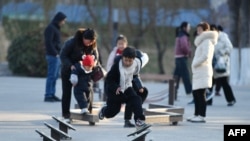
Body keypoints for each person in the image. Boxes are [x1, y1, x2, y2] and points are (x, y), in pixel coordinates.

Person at [98, 47, 149, 130]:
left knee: (136, 99)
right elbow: (109, 79)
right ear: (122, 57)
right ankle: (104, 111)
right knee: (113, 111)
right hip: (114, 90)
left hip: (127, 87)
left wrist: (139, 86)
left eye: (130, 61)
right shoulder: (117, 66)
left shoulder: (137, 63)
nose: (127, 63)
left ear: (134, 59)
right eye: (126, 60)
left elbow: (135, 75)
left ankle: (139, 121)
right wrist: (115, 87)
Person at [60, 28, 99, 122]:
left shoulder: (92, 44)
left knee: (88, 90)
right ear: (83, 38)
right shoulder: (72, 42)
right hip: (69, 70)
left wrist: (93, 64)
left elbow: (96, 56)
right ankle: (66, 113)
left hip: (84, 72)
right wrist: (70, 65)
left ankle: (88, 110)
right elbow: (63, 55)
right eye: (88, 41)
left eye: (91, 42)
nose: (89, 44)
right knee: (67, 92)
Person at [187, 22, 218, 123]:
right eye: (197, 29)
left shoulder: (207, 41)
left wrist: (195, 63)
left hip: (203, 70)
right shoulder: (202, 41)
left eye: (200, 29)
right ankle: (196, 114)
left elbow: (206, 56)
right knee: (196, 93)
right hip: (199, 71)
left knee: (201, 94)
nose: (198, 31)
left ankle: (202, 115)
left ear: (205, 30)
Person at [44, 11, 67, 102]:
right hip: (53, 56)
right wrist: (55, 53)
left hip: (57, 56)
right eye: (63, 20)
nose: (64, 22)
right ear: (59, 20)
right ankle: (48, 95)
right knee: (51, 76)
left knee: (55, 76)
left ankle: (52, 94)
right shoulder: (50, 28)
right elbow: (48, 42)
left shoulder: (56, 28)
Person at [212, 25, 236, 106]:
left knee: (224, 83)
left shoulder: (224, 37)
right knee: (210, 83)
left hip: (221, 63)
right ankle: (208, 100)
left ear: (218, 30)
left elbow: (230, 47)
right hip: (213, 64)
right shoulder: (210, 38)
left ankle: (231, 99)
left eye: (214, 30)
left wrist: (222, 52)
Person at [173, 21, 192, 98]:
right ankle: (189, 92)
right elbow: (184, 46)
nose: (189, 28)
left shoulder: (179, 35)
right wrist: (188, 52)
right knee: (185, 75)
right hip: (181, 58)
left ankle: (174, 91)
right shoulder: (183, 36)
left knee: (176, 75)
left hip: (178, 57)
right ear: (185, 27)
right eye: (188, 27)